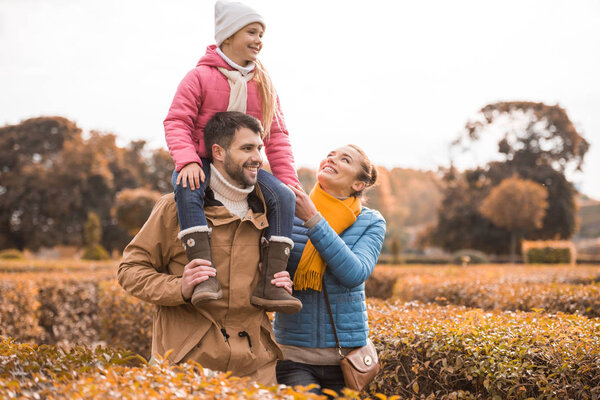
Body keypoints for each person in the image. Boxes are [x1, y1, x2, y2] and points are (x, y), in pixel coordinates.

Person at [118, 111, 293, 385]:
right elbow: (129, 271)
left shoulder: (271, 210)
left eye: (259, 148)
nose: (258, 157)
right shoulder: (173, 208)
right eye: (247, 148)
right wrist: (180, 287)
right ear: (218, 152)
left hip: (256, 371)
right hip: (186, 369)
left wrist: (280, 279)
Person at [163, 0, 301, 314]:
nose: (259, 39)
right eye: (252, 31)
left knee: (283, 197)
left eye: (262, 33)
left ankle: (271, 283)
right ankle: (204, 276)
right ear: (228, 35)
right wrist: (186, 160)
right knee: (187, 190)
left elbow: (276, 136)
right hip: (202, 159)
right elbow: (177, 121)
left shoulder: (264, 84)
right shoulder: (197, 77)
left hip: (246, 165)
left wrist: (288, 180)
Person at [273, 145, 386, 396]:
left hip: (345, 360)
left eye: (344, 159)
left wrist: (314, 219)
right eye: (330, 155)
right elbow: (269, 272)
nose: (332, 159)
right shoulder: (289, 213)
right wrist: (273, 277)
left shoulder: (371, 222)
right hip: (293, 356)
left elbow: (354, 273)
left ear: (358, 184)